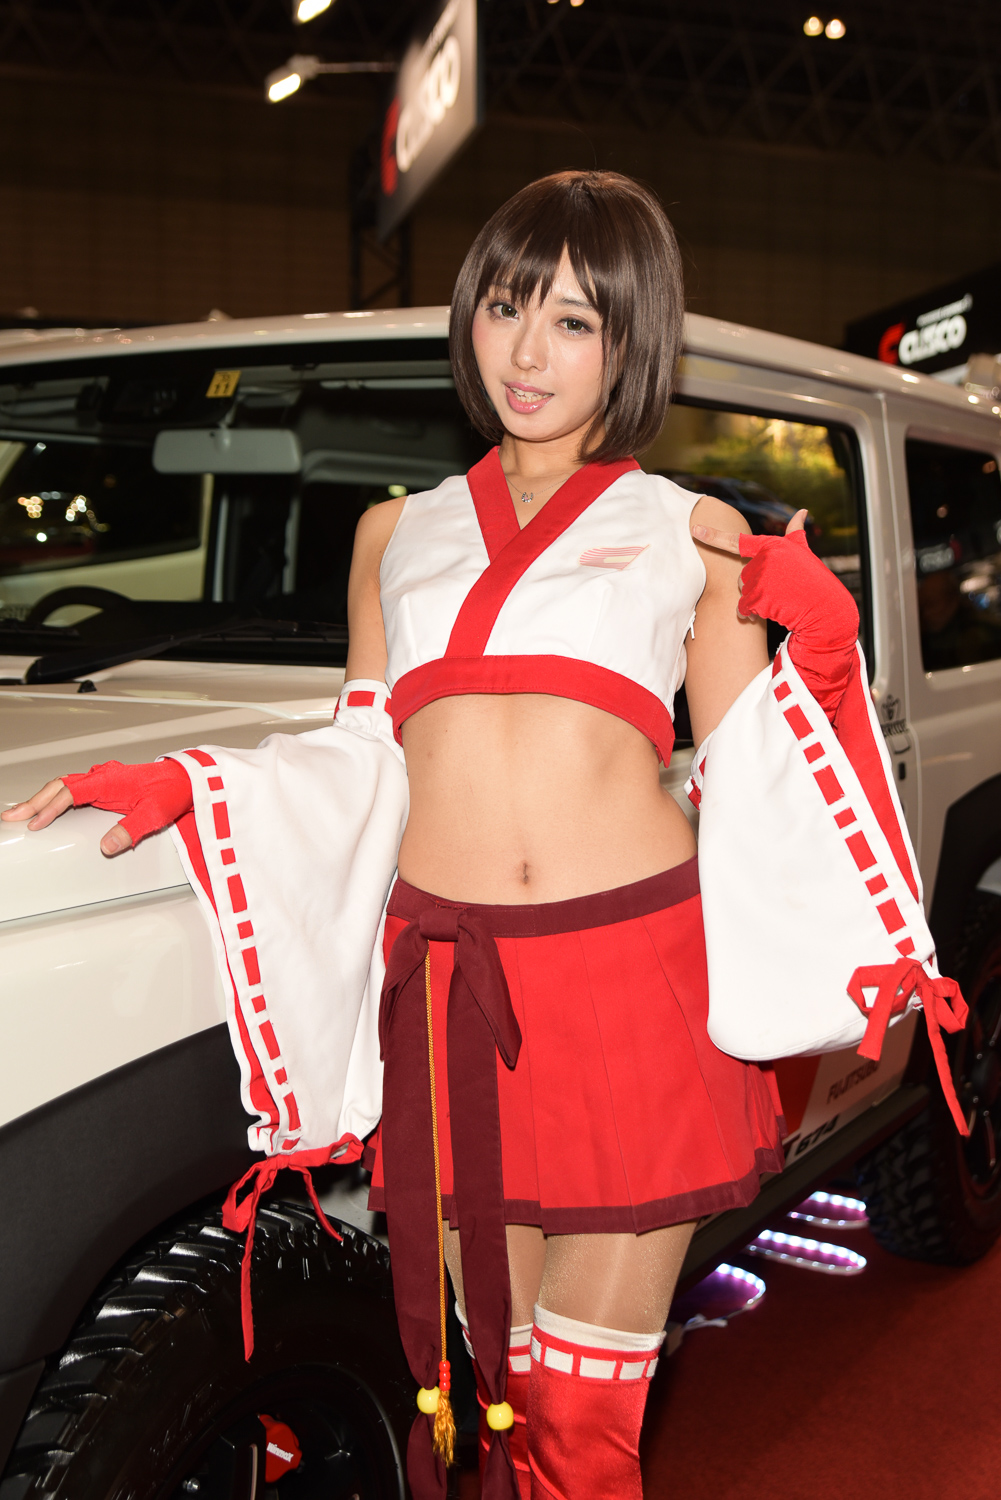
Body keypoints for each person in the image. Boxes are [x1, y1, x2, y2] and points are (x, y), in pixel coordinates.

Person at [4, 172, 865, 1500]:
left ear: (633, 338)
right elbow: (363, 757)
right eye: (507, 306)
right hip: (450, 998)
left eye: (574, 321)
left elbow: (759, 767)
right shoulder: (392, 533)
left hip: (631, 986)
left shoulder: (691, 532)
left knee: (582, 1426)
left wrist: (823, 647)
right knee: (501, 1396)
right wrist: (193, 783)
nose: (527, 351)